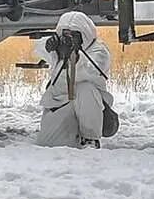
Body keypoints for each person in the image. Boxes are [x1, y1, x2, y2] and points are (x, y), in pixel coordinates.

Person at [35, 9, 114, 147]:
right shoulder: (59, 51)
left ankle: (90, 138)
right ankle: (70, 133)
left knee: (85, 89)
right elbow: (38, 47)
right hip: (63, 100)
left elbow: (89, 71)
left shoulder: (99, 51)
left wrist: (75, 57)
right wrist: (52, 47)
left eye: (74, 36)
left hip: (90, 103)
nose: (68, 39)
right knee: (47, 143)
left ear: (85, 35)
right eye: (65, 35)